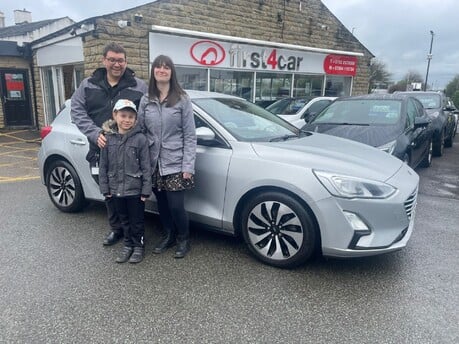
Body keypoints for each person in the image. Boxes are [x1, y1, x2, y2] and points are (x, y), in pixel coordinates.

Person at [71, 42, 148, 246]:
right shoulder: (88, 84)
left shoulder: (139, 86)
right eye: (112, 59)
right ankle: (117, 229)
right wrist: (95, 133)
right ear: (104, 60)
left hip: (130, 153)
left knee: (131, 195)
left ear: (126, 62)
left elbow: (147, 115)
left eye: (120, 60)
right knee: (109, 194)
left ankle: (133, 234)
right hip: (100, 150)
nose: (116, 64)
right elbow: (77, 111)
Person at [137, 55, 196, 259]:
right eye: (158, 67)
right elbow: (141, 130)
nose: (162, 70)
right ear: (153, 71)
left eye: (166, 67)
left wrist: (188, 165)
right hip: (153, 162)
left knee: (176, 205)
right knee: (161, 204)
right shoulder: (146, 99)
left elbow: (190, 135)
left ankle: (183, 238)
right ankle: (168, 235)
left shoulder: (182, 99)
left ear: (172, 72)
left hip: (176, 162)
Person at [99, 99, 152, 263]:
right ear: (115, 115)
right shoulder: (107, 138)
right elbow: (103, 166)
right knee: (124, 221)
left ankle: (138, 246)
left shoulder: (140, 139)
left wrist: (146, 190)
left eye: (131, 116)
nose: (127, 120)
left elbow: (146, 167)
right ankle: (128, 245)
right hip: (116, 190)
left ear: (135, 119)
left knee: (137, 222)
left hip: (135, 190)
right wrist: (105, 188)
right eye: (123, 115)